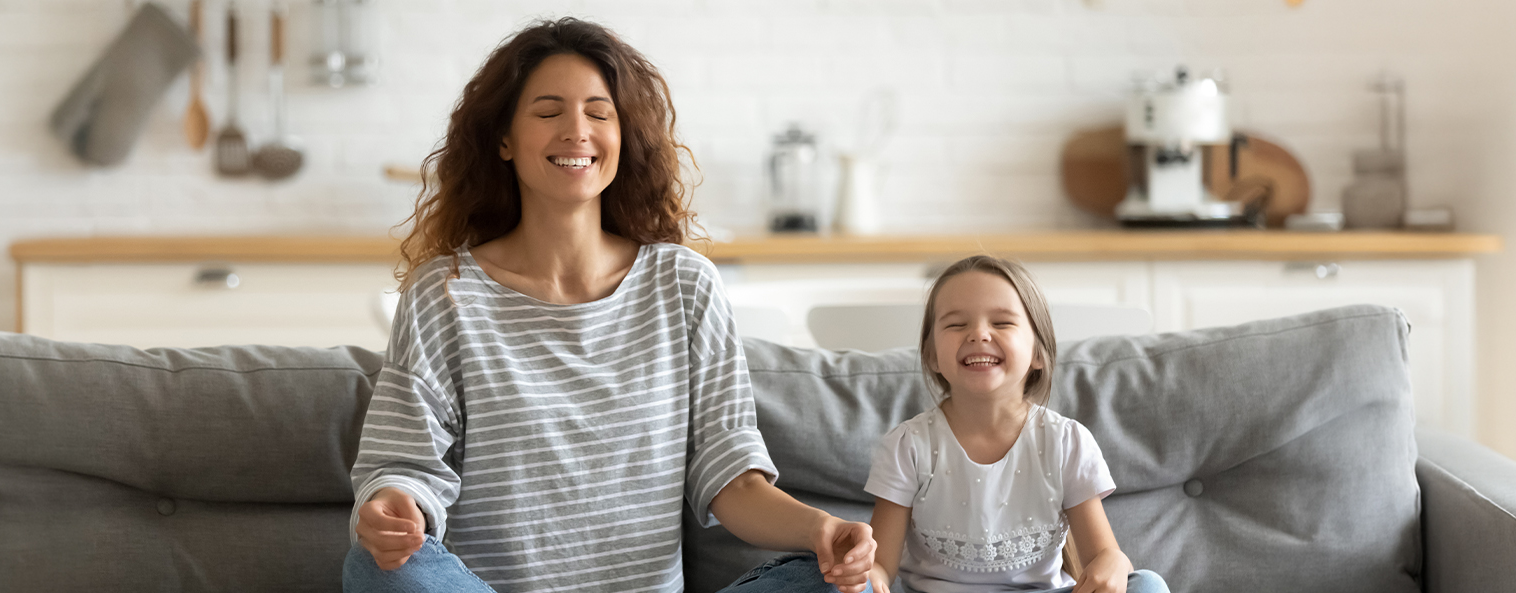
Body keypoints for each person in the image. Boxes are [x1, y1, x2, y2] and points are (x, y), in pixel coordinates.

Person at [341, 17, 875, 593]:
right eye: (548, 112)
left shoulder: (684, 284)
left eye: (599, 113)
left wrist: (825, 528)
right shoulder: (444, 293)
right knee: (380, 571)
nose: (577, 131)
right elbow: (405, 465)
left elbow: (732, 480)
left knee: (847, 583)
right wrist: (393, 506)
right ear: (503, 138)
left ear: (623, 138)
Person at [863, 256, 1168, 593]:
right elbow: (880, 566)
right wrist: (864, 578)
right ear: (932, 356)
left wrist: (1116, 562)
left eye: (1002, 323)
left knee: (1147, 585)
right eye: (955, 324)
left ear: (1038, 352)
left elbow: (1103, 558)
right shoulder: (908, 445)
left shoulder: (1066, 442)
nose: (978, 334)